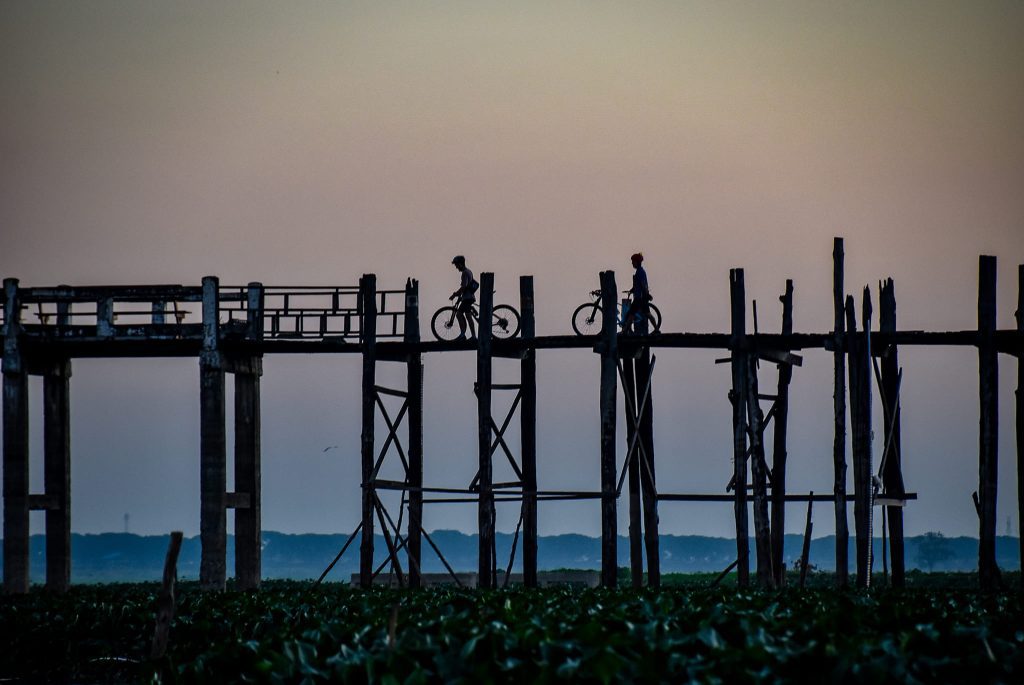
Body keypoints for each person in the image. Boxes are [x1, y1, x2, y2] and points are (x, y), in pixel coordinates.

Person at [621, 252, 651, 334]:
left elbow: (643, 284)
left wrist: (646, 294)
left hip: (639, 298)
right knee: (635, 314)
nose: (632, 263)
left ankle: (625, 330)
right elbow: (638, 285)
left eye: (633, 262)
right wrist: (632, 290)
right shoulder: (639, 272)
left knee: (632, 314)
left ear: (637, 262)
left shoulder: (640, 272)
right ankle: (625, 330)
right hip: (639, 297)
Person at [450, 255, 478, 339]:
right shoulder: (469, 271)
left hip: (468, 298)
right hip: (468, 297)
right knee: (467, 316)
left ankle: (464, 335)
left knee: (459, 314)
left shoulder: (465, 273)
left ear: (460, 264)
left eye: (456, 265)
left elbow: (464, 286)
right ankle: (470, 335)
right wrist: (460, 296)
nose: (456, 267)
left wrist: (455, 294)